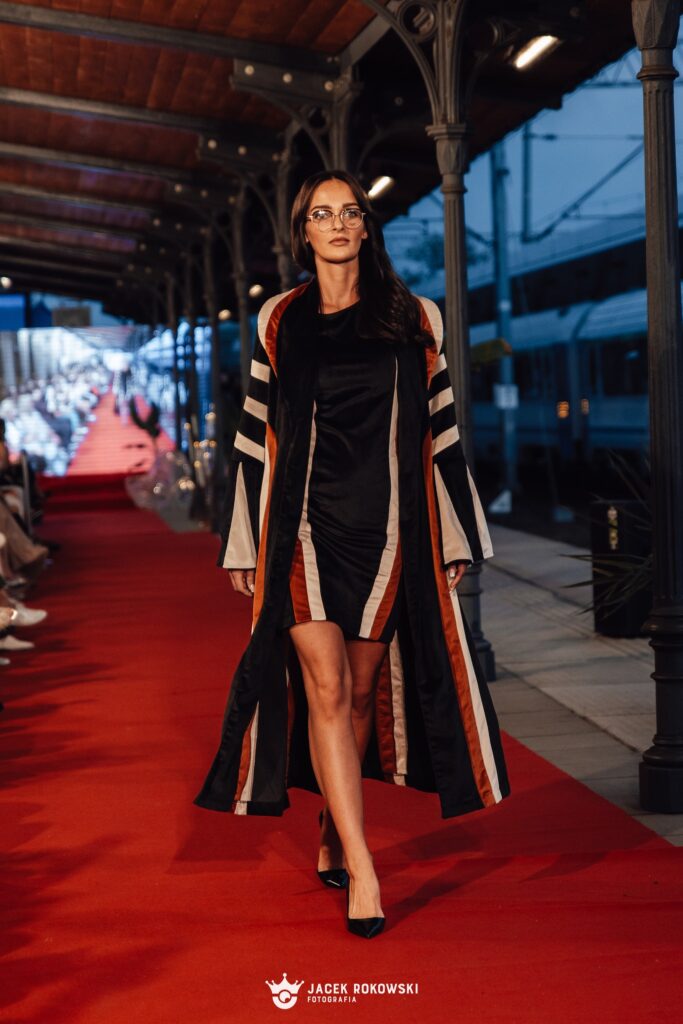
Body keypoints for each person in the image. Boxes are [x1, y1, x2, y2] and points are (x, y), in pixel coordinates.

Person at [194, 170, 510, 939]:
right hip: (301, 528)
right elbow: (254, 436)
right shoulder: (280, 318)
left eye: (349, 212)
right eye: (321, 214)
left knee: (362, 693)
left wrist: (456, 533)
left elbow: (441, 431)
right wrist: (242, 541)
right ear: (302, 232)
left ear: (365, 227)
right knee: (328, 687)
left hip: (388, 529)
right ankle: (364, 869)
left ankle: (335, 829)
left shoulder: (415, 316)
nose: (337, 224)